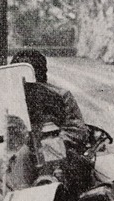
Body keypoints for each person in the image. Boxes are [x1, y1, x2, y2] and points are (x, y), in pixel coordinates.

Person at [10, 49, 93, 192]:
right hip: (15, 152)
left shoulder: (60, 96)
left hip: (51, 158)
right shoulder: (7, 98)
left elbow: (76, 129)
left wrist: (52, 141)